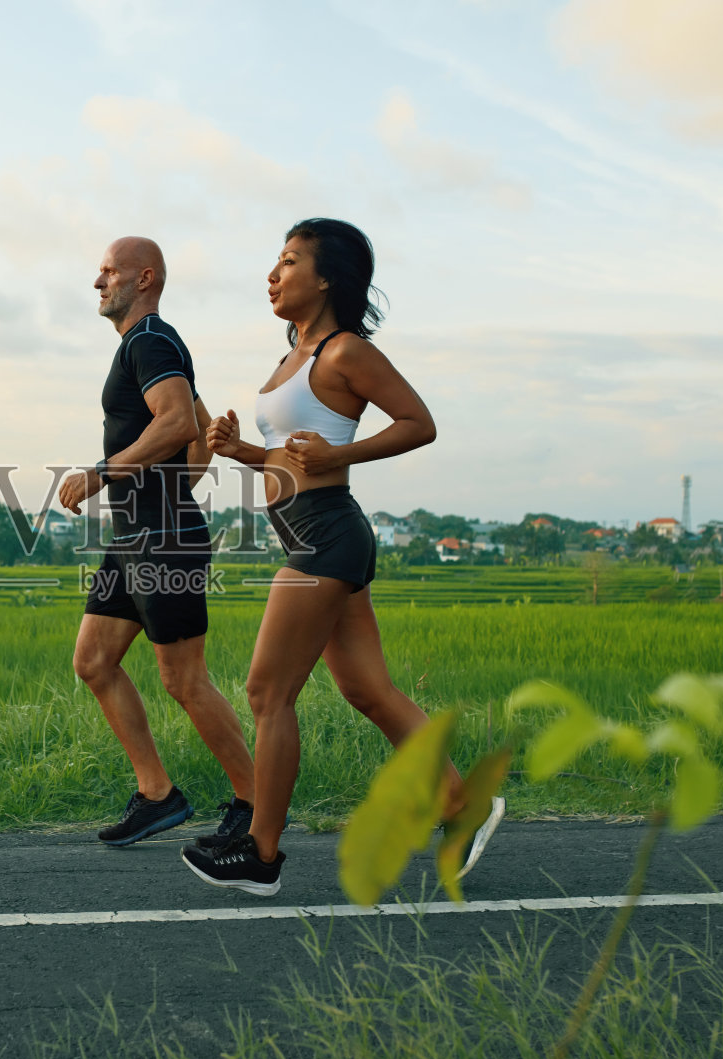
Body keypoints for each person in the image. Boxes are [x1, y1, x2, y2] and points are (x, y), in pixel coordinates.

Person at [182, 218, 504, 896]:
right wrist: (244, 452)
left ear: (325, 278)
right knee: (367, 689)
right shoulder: (291, 357)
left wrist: (344, 454)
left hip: (326, 536)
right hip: (313, 533)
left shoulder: (343, 351)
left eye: (290, 261)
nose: (273, 273)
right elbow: (295, 455)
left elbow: (419, 422)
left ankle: (262, 854)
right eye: (275, 261)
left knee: (269, 691)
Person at [58, 236, 257, 849]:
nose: (98, 282)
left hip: (163, 540)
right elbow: (196, 431)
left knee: (184, 679)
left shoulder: (150, 340)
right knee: (93, 661)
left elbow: (174, 422)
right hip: (138, 537)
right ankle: (158, 795)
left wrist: (103, 473)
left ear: (144, 278)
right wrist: (181, 483)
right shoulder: (144, 346)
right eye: (98, 272)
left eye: (108, 271)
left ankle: (255, 805)